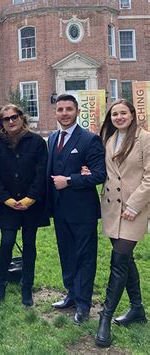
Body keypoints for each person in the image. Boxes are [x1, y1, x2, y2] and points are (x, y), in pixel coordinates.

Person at [85, 100, 149, 347]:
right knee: (126, 260)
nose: (119, 117)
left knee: (119, 261)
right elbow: (107, 171)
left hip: (133, 208)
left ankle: (105, 316)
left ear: (133, 115)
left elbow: (149, 176)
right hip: (112, 207)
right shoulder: (109, 139)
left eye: (123, 113)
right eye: (114, 114)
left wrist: (134, 206)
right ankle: (137, 309)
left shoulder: (144, 139)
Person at [46, 94, 106, 324]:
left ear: (77, 111)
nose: (64, 113)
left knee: (84, 257)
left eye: (68, 109)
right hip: (59, 211)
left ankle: (83, 304)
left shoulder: (89, 140)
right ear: (55, 112)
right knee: (67, 255)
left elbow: (100, 174)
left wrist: (69, 180)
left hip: (83, 212)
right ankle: (71, 293)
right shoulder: (52, 138)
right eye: (60, 109)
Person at [0, 104, 49, 306]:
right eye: (6, 119)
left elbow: (42, 173)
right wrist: (7, 200)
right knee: (6, 242)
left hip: (31, 205)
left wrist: (30, 198)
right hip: (8, 205)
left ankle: (26, 288)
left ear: (22, 118)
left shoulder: (37, 142)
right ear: (1, 123)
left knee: (29, 245)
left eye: (14, 117)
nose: (11, 121)